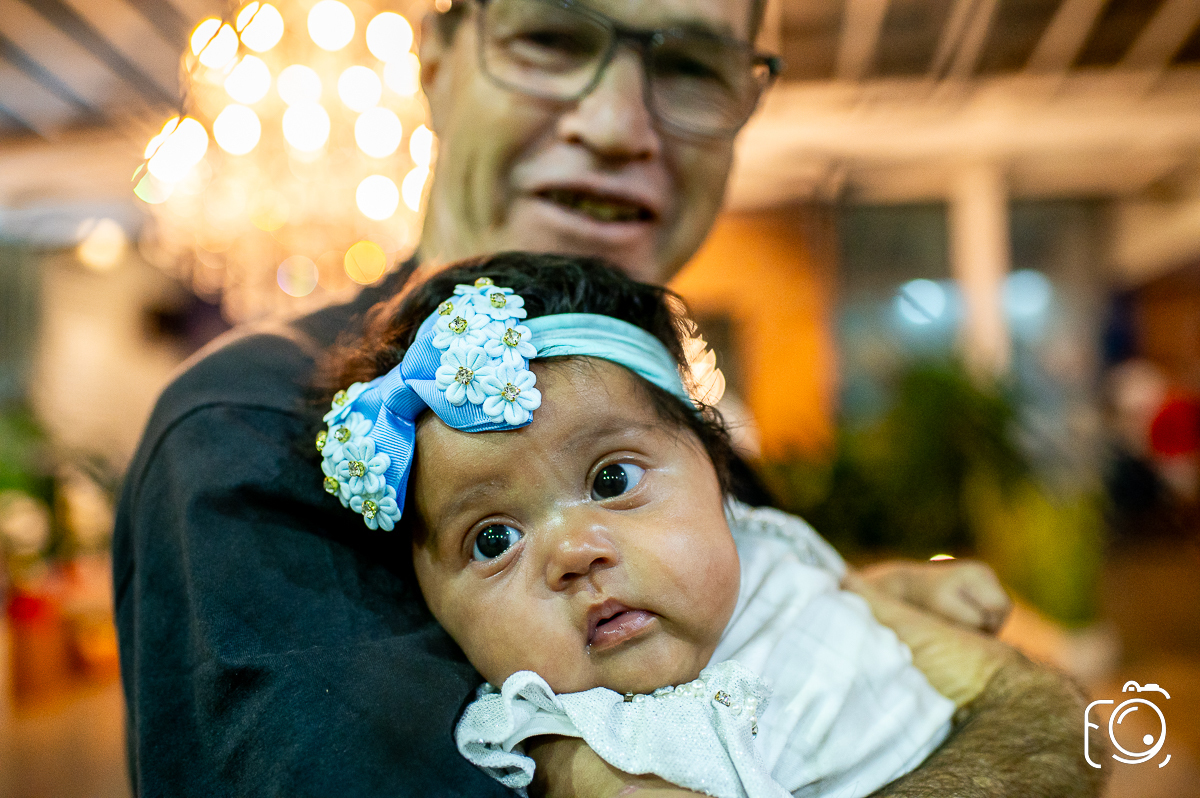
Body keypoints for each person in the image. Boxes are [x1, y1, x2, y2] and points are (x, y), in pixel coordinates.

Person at [113, 0, 1101, 795]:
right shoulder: (255, 430)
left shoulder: (686, 431)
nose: (622, 125)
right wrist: (1026, 723)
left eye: (690, 67)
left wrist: (887, 604)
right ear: (440, 58)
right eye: (550, 35)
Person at [316, 253, 960, 798]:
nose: (574, 552)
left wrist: (906, 591)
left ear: (715, 468)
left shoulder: (761, 542)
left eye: (612, 481)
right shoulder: (559, 737)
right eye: (493, 540)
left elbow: (827, 583)